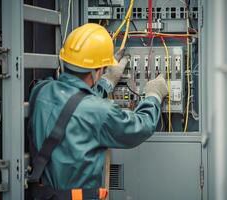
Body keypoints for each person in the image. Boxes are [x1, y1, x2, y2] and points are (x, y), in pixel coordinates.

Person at [29, 23, 168, 199]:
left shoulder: (40, 91)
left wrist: (106, 83)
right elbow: (141, 126)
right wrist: (154, 95)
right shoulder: (101, 111)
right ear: (98, 70)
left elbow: (73, 102)